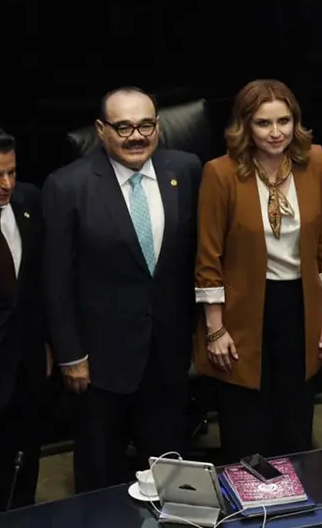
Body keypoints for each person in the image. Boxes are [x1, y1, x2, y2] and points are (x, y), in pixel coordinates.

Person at [43, 88, 202, 492]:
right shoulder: (68, 186)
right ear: (101, 130)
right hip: (100, 362)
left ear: (158, 127)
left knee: (169, 474)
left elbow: (193, 262)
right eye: (124, 127)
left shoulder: (185, 170)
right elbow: (56, 280)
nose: (137, 136)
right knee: (100, 476)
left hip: (167, 352)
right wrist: (70, 354)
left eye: (146, 125)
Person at [194, 80, 322, 460]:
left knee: (294, 422)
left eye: (284, 121)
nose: (276, 133)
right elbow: (208, 257)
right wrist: (215, 328)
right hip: (244, 310)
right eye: (263, 123)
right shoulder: (221, 173)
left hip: (300, 305)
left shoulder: (316, 161)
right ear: (245, 126)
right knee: (248, 428)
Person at [0, 127, 46, 512]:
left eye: (11, 171)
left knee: (25, 453)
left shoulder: (29, 200)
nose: (7, 183)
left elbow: (40, 282)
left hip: (25, 360)